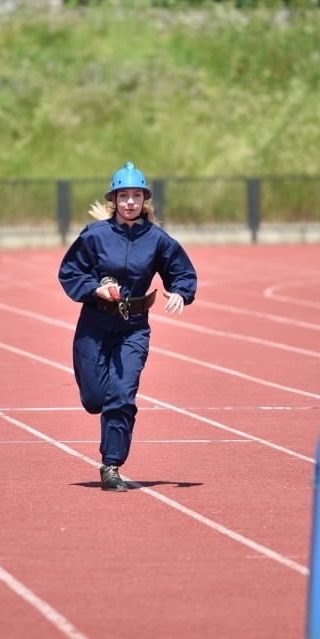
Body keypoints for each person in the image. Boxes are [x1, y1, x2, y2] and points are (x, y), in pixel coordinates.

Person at [58, 162, 197, 491]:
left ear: (145, 200)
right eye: (124, 196)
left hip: (134, 328)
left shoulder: (158, 240)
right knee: (95, 399)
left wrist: (180, 291)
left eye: (136, 196)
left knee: (122, 395)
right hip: (94, 324)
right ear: (114, 200)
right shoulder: (95, 235)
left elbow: (181, 271)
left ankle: (111, 465)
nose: (130, 202)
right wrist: (95, 289)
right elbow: (70, 272)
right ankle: (103, 413)